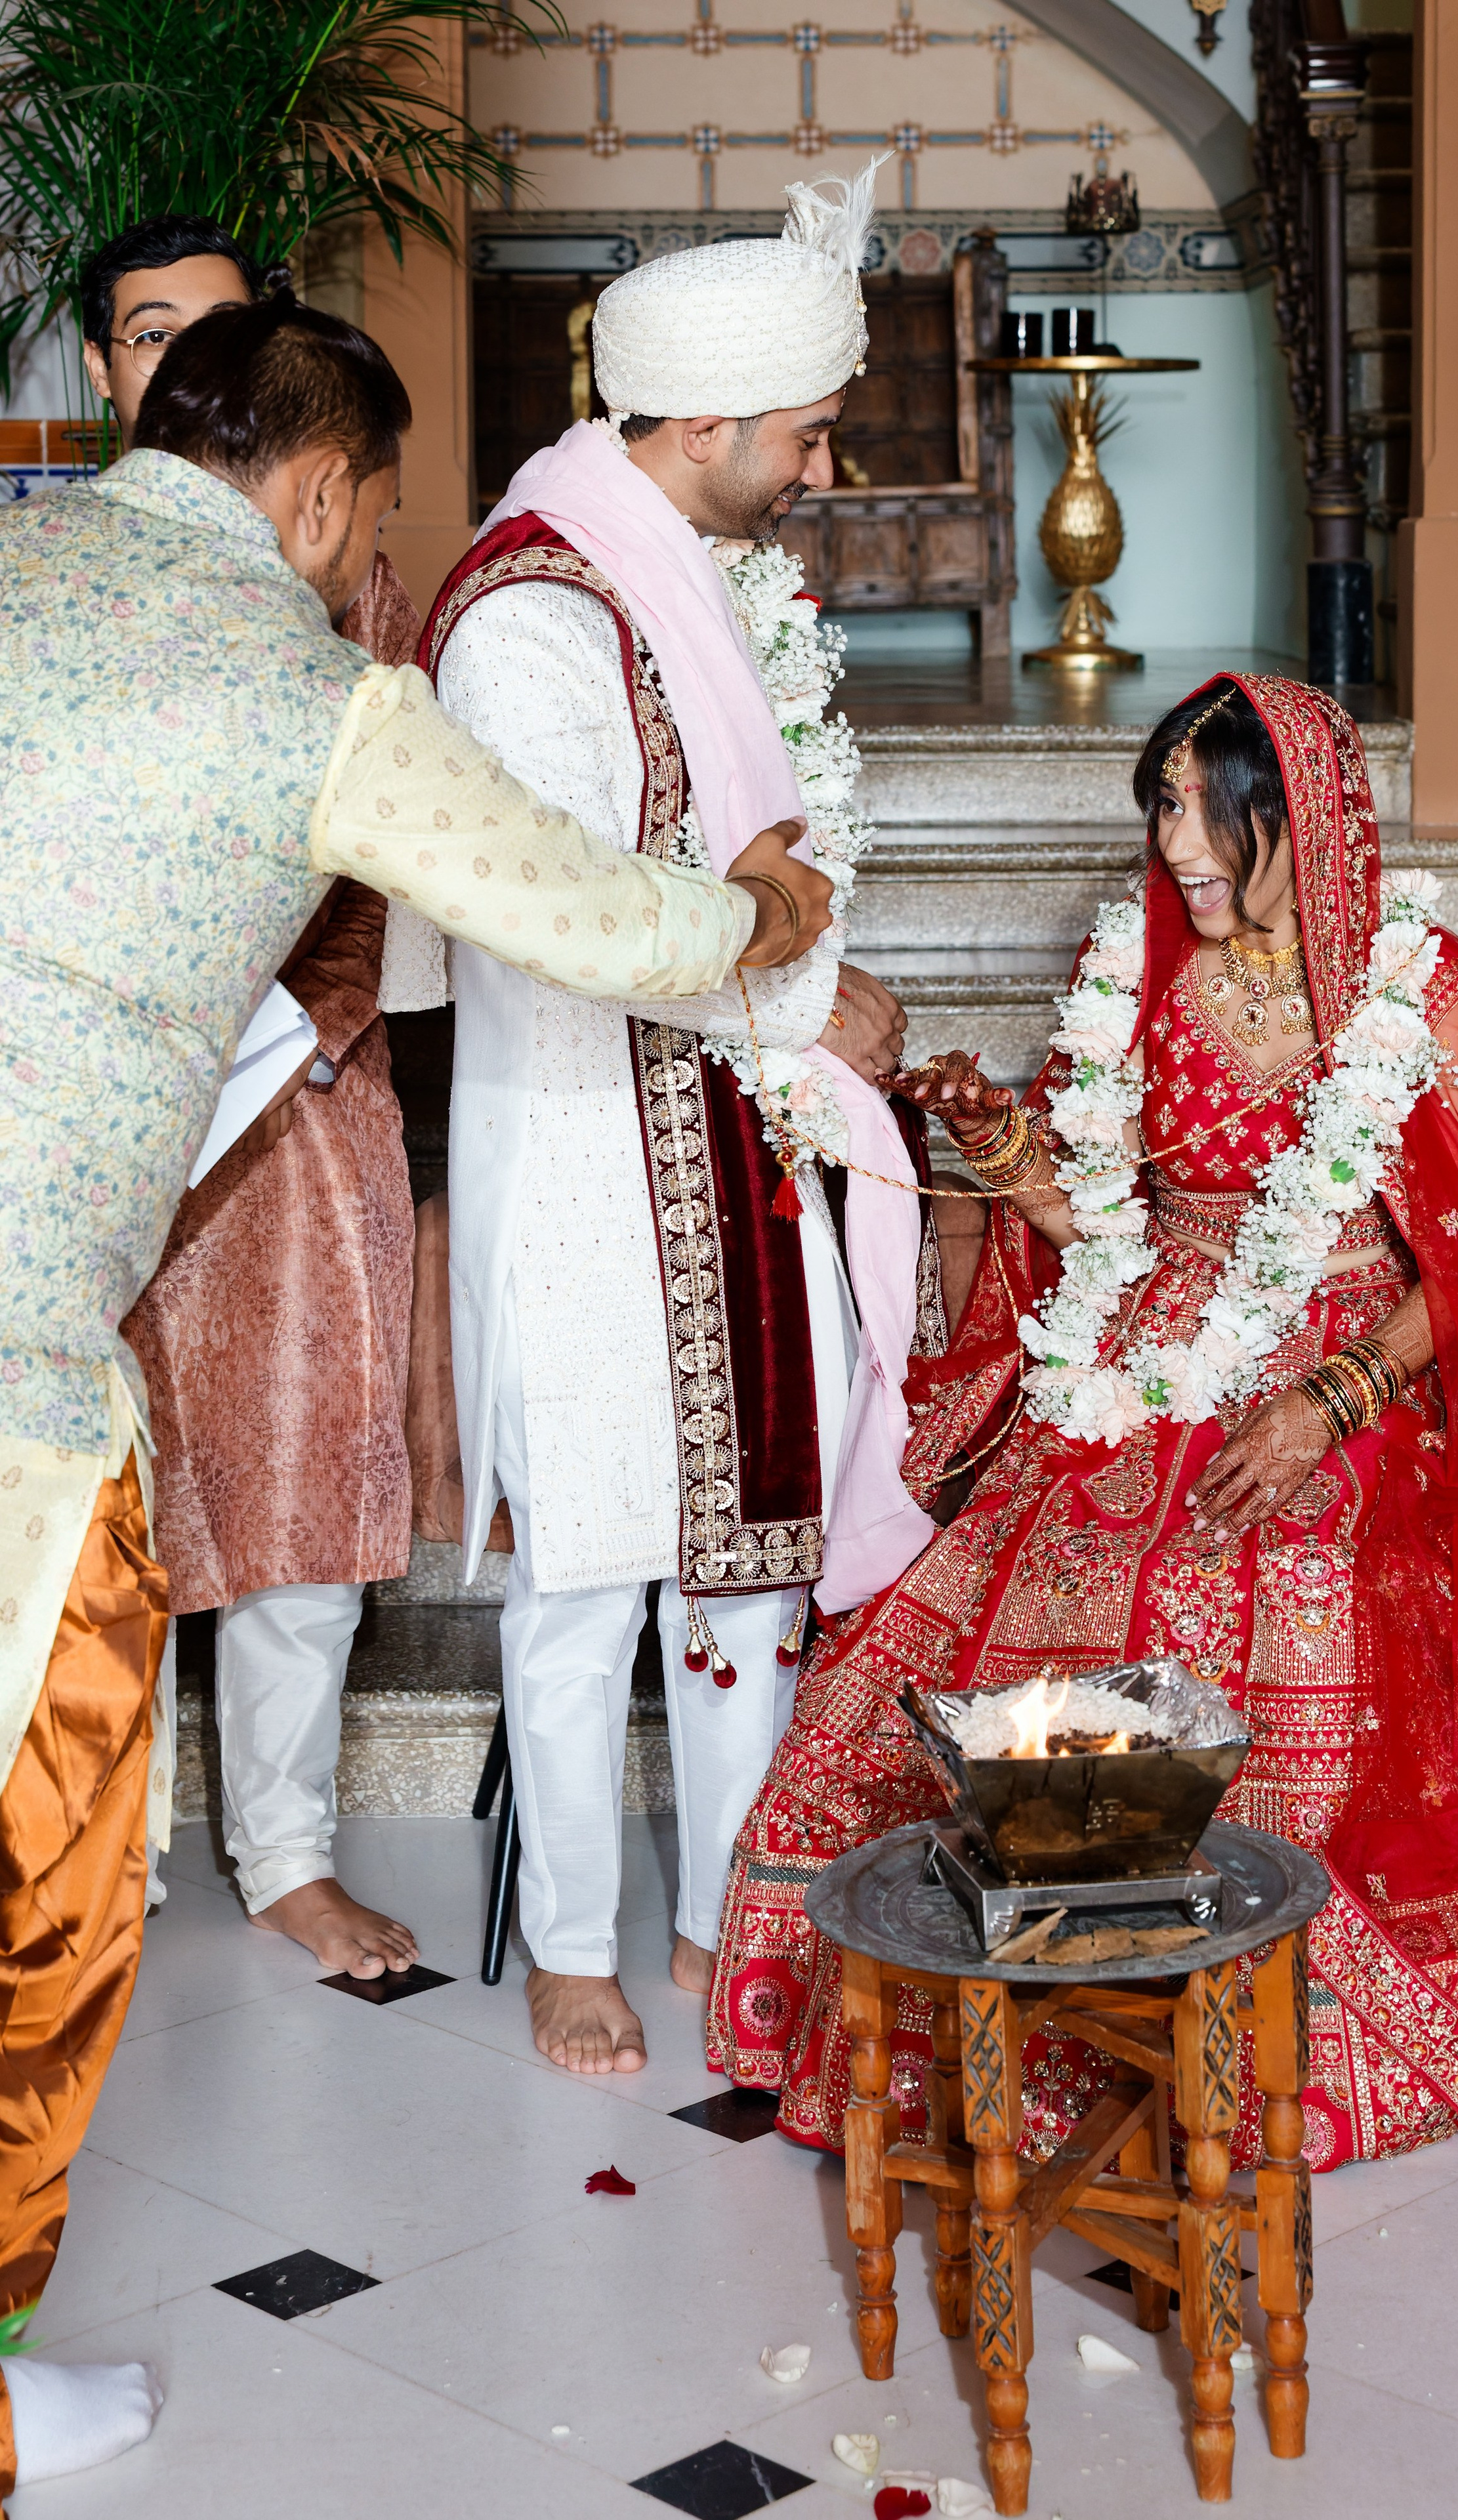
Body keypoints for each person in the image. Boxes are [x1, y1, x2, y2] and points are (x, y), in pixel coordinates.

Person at [0, 292, 825, 2498]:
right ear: (312, 489)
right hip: (14, 1387)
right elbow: (582, 915)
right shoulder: (314, 698)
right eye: (369, 514)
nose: (373, 556)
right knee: (38, 1888)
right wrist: (750, 918)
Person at [709, 671, 1458, 2191]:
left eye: (1197, 812)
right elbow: (1092, 1220)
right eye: (1157, 810)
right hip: (1148, 1337)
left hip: (1350, 1349)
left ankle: (1238, 1999)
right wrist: (997, 1142)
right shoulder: (1141, 964)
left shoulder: (1416, 983)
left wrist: (1325, 1400)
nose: (1170, 847)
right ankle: (1026, 1980)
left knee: (1269, 1562)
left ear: (1295, 821)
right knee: (1026, 1589)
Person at [417, 156, 931, 2080]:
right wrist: (795, 972)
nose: (822, 468)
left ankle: (726, 1909)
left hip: (728, 1137)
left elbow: (752, 863)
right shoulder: (528, 617)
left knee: (748, 1560)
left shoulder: (690, 579)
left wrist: (796, 975)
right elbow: (573, 922)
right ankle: (574, 1943)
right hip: (584, 1151)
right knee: (588, 1560)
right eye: (805, 435)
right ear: (702, 426)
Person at [87, 218, 430, 1976]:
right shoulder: (68, 568)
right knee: (92, 1496)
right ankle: (96, 1853)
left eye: (223, 335)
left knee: (300, 1482)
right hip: (90, 1113)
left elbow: (376, 876)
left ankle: (286, 1854)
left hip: (292, 1097)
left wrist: (272, 1044)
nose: (190, 365)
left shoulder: (348, 574)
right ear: (107, 370)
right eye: (156, 335)